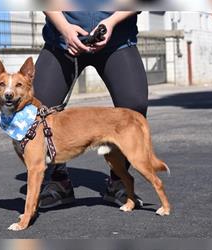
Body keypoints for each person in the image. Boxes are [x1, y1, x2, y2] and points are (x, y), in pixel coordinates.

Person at [32, 11, 148, 209]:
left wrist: (111, 22)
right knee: (37, 109)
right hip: (63, 41)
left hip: (116, 41)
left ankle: (119, 181)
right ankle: (59, 180)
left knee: (134, 104)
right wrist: (65, 28)